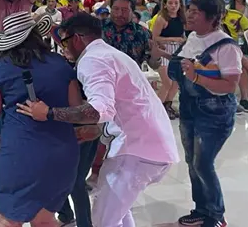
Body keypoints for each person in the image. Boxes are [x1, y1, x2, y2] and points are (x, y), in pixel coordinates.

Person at [19, 13, 179, 227]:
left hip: (137, 150)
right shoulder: (109, 53)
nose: (63, 48)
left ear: (77, 38)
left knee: (103, 220)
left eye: (65, 42)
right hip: (146, 144)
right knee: (116, 212)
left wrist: (49, 112)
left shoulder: (93, 60)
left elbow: (98, 110)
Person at [0, 12, 79, 227]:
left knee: (9, 219)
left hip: (21, 153)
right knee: (44, 219)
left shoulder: (0, 67)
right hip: (63, 152)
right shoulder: (60, 63)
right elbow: (76, 107)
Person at [150, 0, 240, 227]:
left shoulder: (226, 46)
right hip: (189, 107)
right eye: (189, 10)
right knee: (192, 161)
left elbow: (230, 85)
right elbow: (183, 65)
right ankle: (201, 208)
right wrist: (162, 55)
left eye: (195, 12)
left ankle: (216, 214)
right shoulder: (192, 37)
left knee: (203, 163)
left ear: (212, 18)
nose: (189, 15)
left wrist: (196, 77)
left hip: (214, 112)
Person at [103, 0, 162, 69]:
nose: (119, 14)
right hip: (100, 77)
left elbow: (154, 65)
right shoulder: (97, 28)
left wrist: (155, 57)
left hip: (131, 78)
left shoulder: (143, 33)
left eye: (125, 10)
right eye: (116, 9)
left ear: (133, 11)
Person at [152, 0, 186, 120]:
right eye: (170, 3)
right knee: (167, 82)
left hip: (177, 51)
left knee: (176, 81)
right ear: (165, 5)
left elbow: (182, 35)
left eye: (176, 3)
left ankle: (168, 104)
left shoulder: (181, 18)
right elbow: (154, 37)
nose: (173, 6)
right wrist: (172, 39)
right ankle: (157, 108)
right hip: (164, 49)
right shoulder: (162, 18)